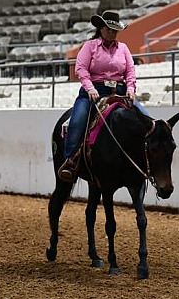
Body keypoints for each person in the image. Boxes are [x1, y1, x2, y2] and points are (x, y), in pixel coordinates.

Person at [58, 10, 148, 182]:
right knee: (77, 123)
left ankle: (145, 161)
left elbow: (130, 71)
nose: (112, 33)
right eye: (109, 29)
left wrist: (131, 89)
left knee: (147, 120)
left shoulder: (123, 48)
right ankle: (71, 160)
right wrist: (90, 88)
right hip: (93, 92)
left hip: (119, 92)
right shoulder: (90, 46)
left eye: (115, 30)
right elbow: (81, 69)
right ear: (100, 28)